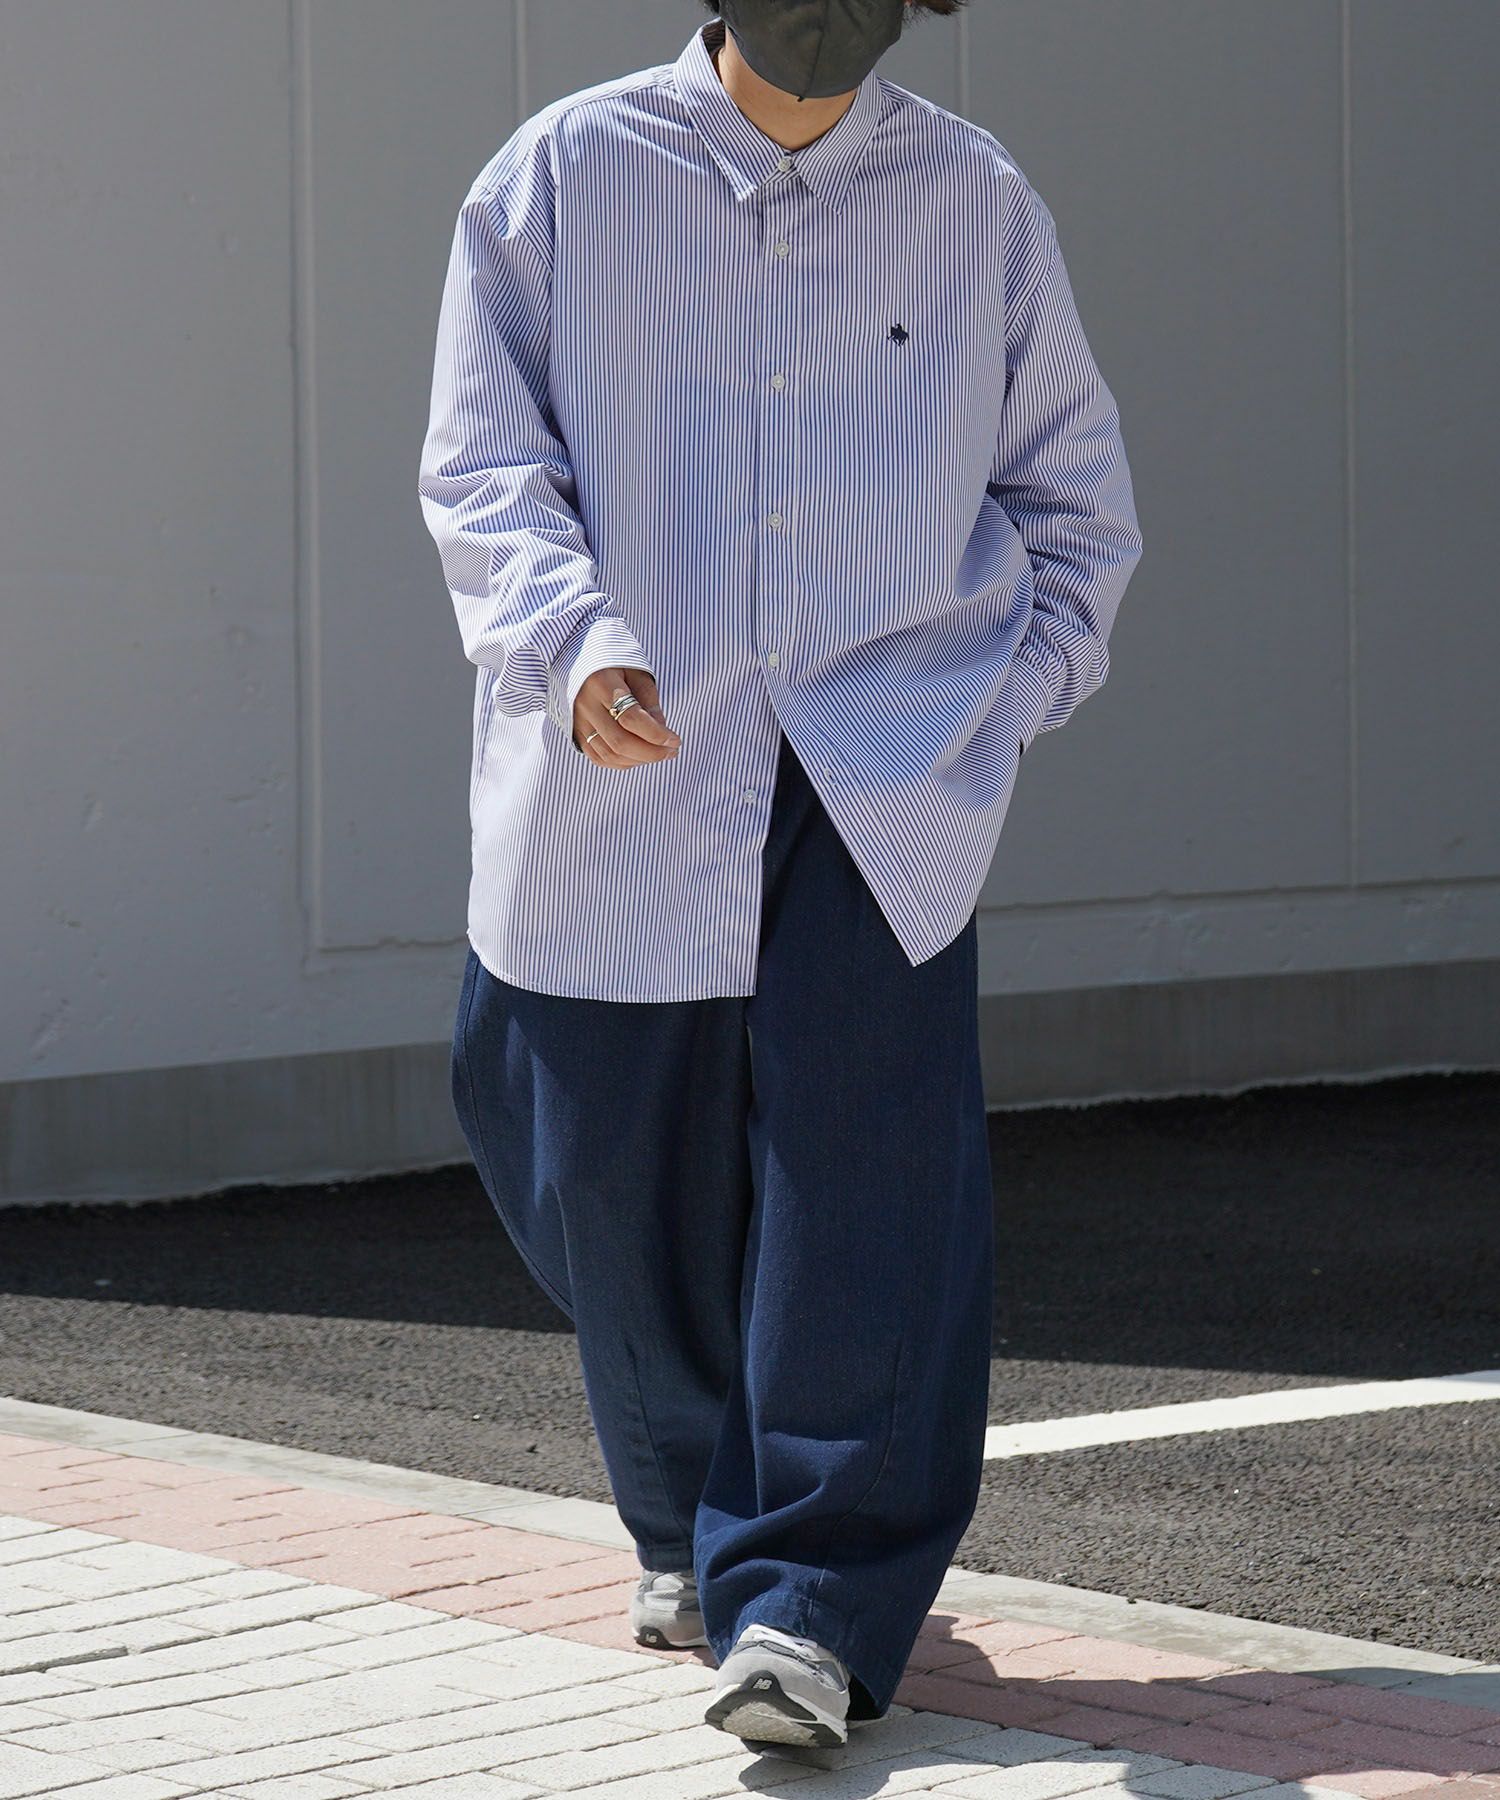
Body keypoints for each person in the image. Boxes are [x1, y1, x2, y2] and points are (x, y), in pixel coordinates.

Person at [419, 0, 1143, 1752]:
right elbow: (487, 465)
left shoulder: (978, 203)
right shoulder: (561, 177)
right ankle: (692, 1517)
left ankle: (809, 1604)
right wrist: (571, 643)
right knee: (583, 1151)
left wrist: (998, 707)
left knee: (864, 1185)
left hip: (877, 760)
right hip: (629, 740)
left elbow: (1074, 498)